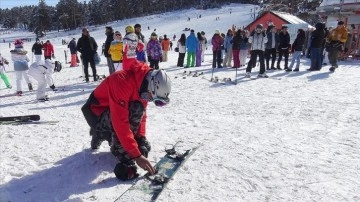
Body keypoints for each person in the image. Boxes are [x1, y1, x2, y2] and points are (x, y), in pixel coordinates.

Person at [81, 61, 171, 181]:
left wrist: (141, 138)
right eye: (156, 100)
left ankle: (107, 136)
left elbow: (142, 116)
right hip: (96, 113)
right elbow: (120, 122)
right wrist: (136, 155)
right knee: (128, 149)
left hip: (114, 113)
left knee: (143, 145)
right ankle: (100, 133)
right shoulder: (121, 81)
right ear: (152, 87)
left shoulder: (143, 86)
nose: (150, 101)